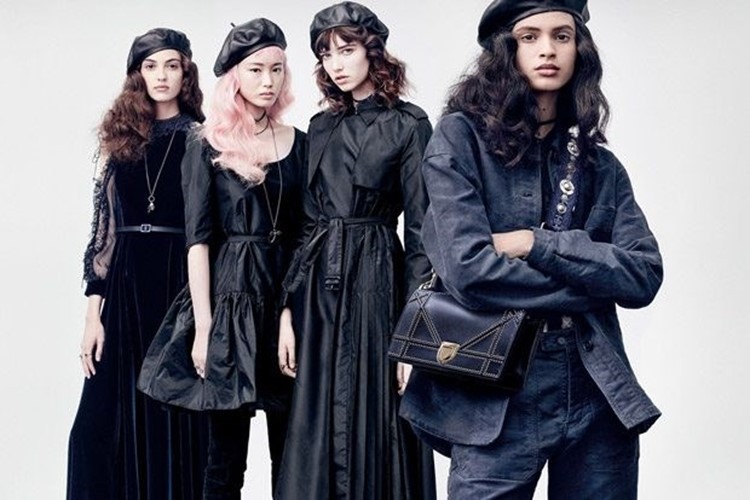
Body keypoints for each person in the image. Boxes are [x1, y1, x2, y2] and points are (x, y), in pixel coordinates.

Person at [400, 1, 664, 498]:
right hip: (494, 392)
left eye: (562, 36)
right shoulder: (459, 140)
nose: (548, 49)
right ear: (507, 49)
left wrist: (534, 243)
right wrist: (589, 280)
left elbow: (644, 275)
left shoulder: (600, 167)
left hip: (594, 386)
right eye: (530, 37)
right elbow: (470, 272)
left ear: (579, 49)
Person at [137, 18, 304, 499]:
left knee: (291, 454)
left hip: (285, 303)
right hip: (231, 303)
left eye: (276, 69)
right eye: (256, 70)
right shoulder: (206, 143)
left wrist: (290, 314)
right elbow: (198, 241)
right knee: (225, 459)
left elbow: (303, 234)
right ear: (234, 77)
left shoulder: (301, 141)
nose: (268, 81)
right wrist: (205, 327)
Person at [275, 2, 436, 499]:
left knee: (377, 410)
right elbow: (304, 224)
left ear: (372, 51)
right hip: (318, 291)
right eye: (326, 55)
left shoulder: (409, 124)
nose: (336, 64)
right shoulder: (320, 127)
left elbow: (423, 232)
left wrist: (415, 334)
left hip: (377, 282)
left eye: (346, 50)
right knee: (316, 418)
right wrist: (287, 310)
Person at [68, 28, 207, 500]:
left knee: (169, 415)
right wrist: (93, 316)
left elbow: (208, 231)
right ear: (137, 75)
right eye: (151, 66)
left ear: (185, 72)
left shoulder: (201, 140)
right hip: (124, 288)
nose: (161, 75)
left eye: (171, 65)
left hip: (177, 284)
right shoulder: (121, 142)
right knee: (94, 430)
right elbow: (103, 235)